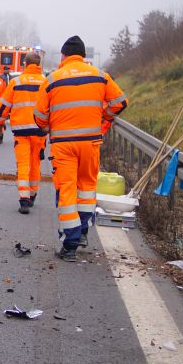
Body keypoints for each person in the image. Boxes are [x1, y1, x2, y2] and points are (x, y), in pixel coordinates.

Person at [34, 35, 128, 261]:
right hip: (91, 142)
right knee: (86, 188)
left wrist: (49, 127)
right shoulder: (101, 76)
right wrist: (103, 117)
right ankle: (83, 231)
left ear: (64, 56)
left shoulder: (52, 79)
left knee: (66, 191)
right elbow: (120, 102)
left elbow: (39, 116)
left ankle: (70, 244)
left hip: (64, 145)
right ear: (83, 56)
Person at [0, 52, 47, 214]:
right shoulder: (46, 83)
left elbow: (4, 105)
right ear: (39, 64)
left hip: (21, 132)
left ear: (25, 64)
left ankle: (24, 200)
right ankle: (32, 195)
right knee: (35, 164)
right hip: (39, 131)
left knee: (23, 164)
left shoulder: (16, 82)